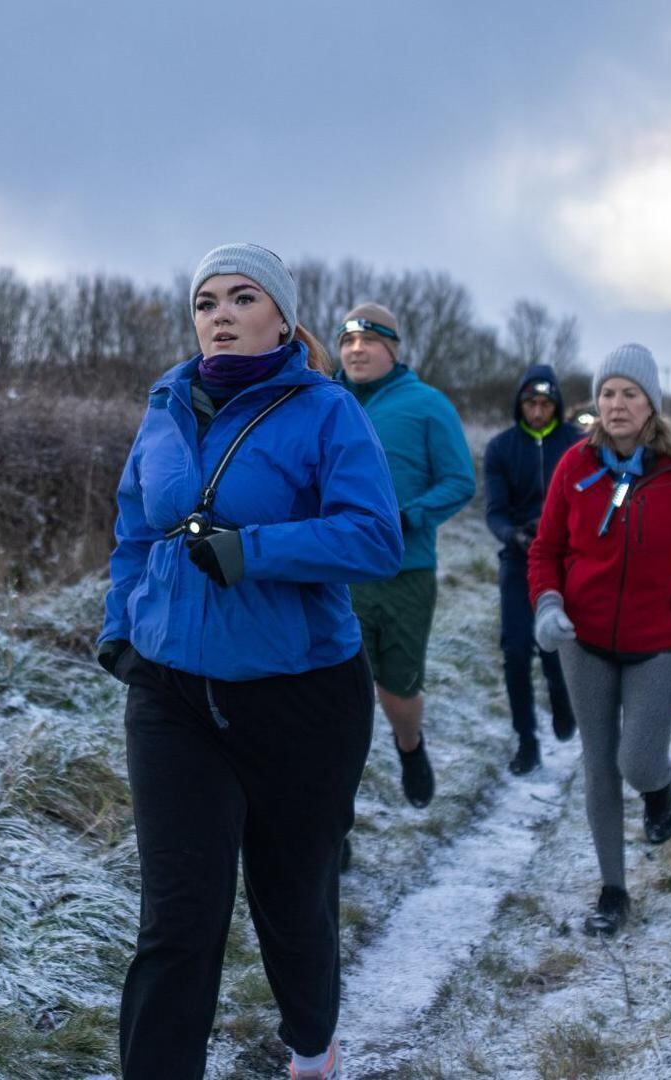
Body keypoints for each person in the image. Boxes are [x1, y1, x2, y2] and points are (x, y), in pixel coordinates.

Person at [98, 243, 403, 1080]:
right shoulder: (165, 403)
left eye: (240, 298)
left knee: (292, 903)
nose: (220, 315)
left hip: (298, 697)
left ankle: (311, 1045)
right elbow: (134, 528)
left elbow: (377, 537)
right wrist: (120, 628)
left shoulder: (326, 412)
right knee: (177, 920)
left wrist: (254, 551)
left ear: (282, 318)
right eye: (205, 302)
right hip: (171, 694)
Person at [527, 344, 671, 936]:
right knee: (599, 765)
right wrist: (548, 604)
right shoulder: (575, 467)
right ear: (596, 404)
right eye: (607, 393)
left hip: (658, 640)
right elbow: (546, 549)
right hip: (585, 637)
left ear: (651, 403)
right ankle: (613, 890)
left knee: (637, 760)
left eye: (630, 393)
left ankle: (660, 791)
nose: (617, 404)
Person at [335, 303, 476, 809]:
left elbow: (460, 481)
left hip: (404, 573)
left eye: (368, 341)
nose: (356, 350)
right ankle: (333, 811)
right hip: (334, 574)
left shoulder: (427, 404)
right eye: (348, 341)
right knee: (334, 695)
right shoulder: (324, 399)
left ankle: (409, 745)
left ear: (392, 349)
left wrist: (410, 515)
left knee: (396, 690)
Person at [484, 363, 584, 775]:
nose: (538, 411)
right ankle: (526, 740)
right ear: (519, 404)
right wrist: (514, 536)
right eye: (531, 403)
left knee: (556, 644)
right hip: (519, 556)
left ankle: (563, 698)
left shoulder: (577, 445)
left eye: (546, 403)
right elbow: (495, 512)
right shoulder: (500, 448)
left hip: (568, 557)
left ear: (556, 404)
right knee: (515, 650)